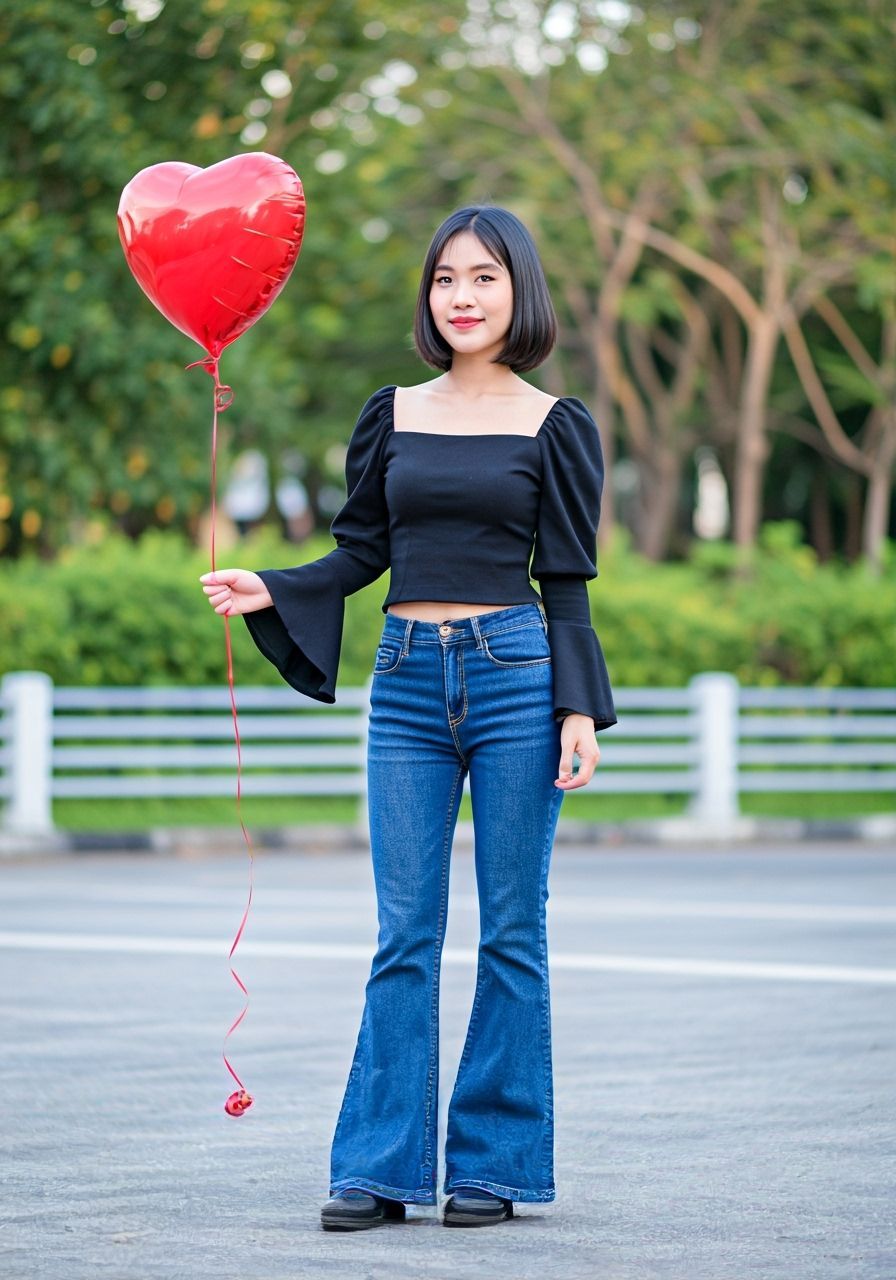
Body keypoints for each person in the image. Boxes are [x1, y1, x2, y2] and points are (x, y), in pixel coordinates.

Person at [199, 205, 617, 1231]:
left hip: (517, 673)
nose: (461, 296)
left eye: (482, 277)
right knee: (405, 932)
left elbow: (563, 581)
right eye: (443, 279)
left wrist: (578, 707)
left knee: (512, 929)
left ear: (518, 290)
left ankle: (493, 1165)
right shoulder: (392, 412)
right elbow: (359, 551)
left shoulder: (554, 423)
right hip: (406, 682)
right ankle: (379, 1164)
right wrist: (276, 584)